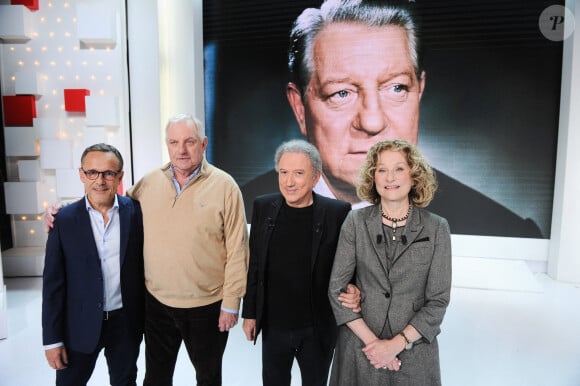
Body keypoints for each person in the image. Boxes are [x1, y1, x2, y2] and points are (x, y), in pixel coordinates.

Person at [241, 0, 542, 238]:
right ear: (299, 107)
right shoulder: (238, 212)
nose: (372, 122)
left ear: (419, 92)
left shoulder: (504, 229)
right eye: (341, 93)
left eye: (396, 88)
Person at [46, 114, 249, 386]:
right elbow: (105, 198)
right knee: (155, 378)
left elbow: (238, 248)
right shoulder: (150, 182)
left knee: (209, 377)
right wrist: (63, 212)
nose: (181, 149)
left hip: (207, 306)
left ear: (203, 143)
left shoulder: (225, 186)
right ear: (167, 145)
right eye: (174, 142)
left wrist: (231, 302)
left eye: (189, 141)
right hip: (157, 305)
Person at [327, 139, 452, 386]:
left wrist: (396, 345)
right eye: (382, 170)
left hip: (413, 353)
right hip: (360, 349)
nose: (389, 177)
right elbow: (337, 289)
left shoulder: (437, 227)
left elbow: (438, 300)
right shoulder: (355, 222)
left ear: (414, 175)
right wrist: (376, 347)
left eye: (399, 169)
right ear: (373, 177)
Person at [241, 139, 355, 386]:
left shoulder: (337, 212)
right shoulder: (263, 207)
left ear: (316, 178)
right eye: (283, 173)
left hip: (316, 327)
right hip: (274, 326)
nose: (289, 182)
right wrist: (249, 313)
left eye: (298, 174)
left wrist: (354, 290)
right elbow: (255, 265)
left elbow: (349, 266)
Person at [42, 143, 145, 386]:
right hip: (78, 325)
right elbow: (53, 286)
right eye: (92, 173)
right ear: (82, 174)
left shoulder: (137, 213)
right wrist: (52, 340)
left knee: (125, 381)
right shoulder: (63, 220)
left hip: (125, 324)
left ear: (120, 176)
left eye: (109, 173)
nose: (100, 180)